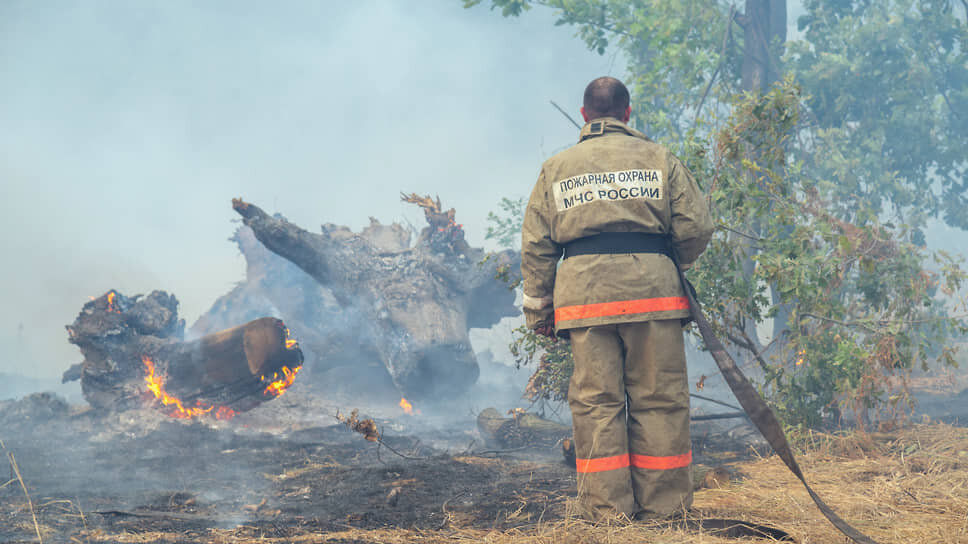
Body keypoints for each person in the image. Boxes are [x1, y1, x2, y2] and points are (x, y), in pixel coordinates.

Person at [520, 76, 713, 521]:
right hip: (653, 298)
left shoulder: (556, 168)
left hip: (584, 300)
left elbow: (536, 245)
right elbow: (696, 227)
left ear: (584, 115)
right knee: (660, 400)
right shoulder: (658, 159)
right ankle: (666, 511)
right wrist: (666, 263)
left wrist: (540, 309)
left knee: (596, 404)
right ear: (627, 113)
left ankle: (607, 514)